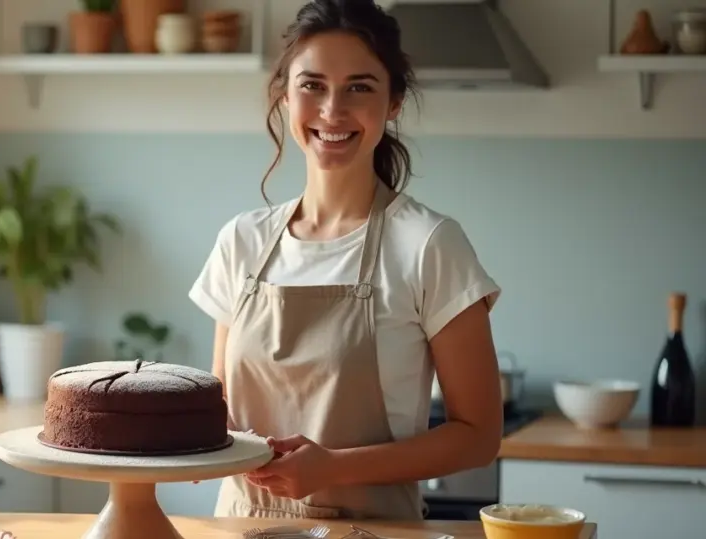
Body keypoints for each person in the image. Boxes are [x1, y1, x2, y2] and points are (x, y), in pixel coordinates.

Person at [187, 0, 505, 522]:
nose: (332, 110)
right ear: (285, 96)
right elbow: (218, 413)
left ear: (394, 102)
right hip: (239, 526)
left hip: (374, 532)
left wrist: (333, 468)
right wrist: (193, 443)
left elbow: (479, 437)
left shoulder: (429, 244)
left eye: (359, 87)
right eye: (312, 85)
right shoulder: (241, 241)